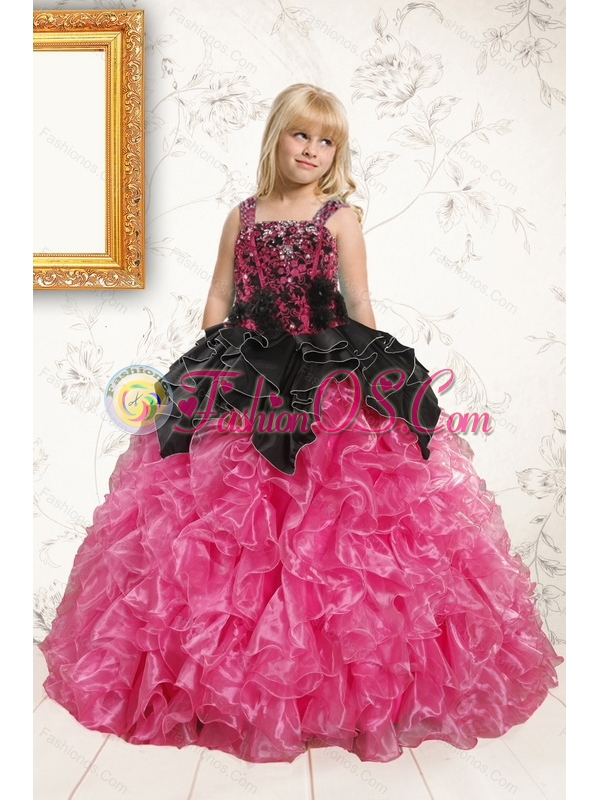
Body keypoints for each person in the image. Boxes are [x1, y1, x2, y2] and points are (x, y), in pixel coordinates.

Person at [40, 83, 562, 764]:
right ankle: (225, 686)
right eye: (301, 135)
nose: (313, 150)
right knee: (233, 521)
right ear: (276, 138)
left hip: (325, 375)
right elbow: (218, 296)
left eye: (327, 141)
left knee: (332, 521)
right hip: (248, 369)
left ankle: (344, 689)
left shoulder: (340, 219)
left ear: (336, 153)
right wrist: (227, 349)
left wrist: (373, 376)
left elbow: (360, 304)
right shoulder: (242, 215)